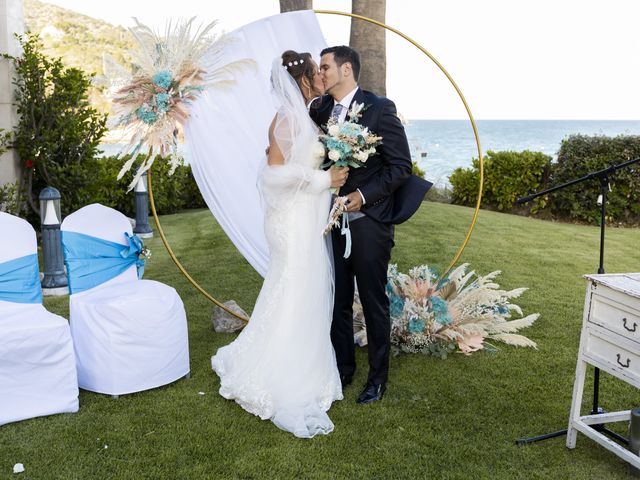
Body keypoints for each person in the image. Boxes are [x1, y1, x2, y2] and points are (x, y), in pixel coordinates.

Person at [211, 50, 348, 438]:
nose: (323, 77)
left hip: (302, 217)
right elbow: (273, 176)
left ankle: (301, 358)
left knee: (299, 290)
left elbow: (289, 163)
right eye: (317, 73)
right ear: (303, 80)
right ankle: (282, 369)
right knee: (294, 288)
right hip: (290, 221)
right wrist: (324, 180)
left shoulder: (301, 117)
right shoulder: (288, 118)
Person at [310, 45, 431, 405]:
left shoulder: (380, 108)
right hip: (332, 222)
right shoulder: (321, 110)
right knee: (339, 300)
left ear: (346, 69)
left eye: (326, 67)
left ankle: (377, 379)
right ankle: (343, 370)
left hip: (369, 222)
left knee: (374, 301)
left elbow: (400, 167)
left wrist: (363, 195)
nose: (321, 73)